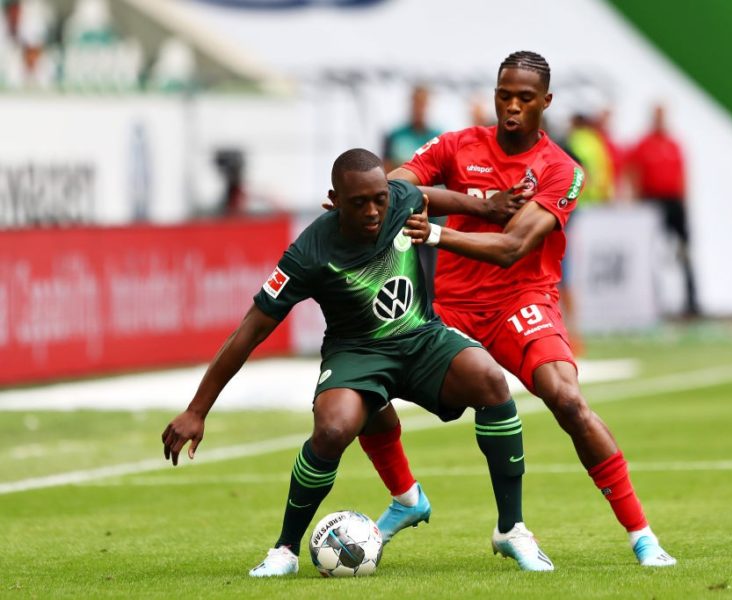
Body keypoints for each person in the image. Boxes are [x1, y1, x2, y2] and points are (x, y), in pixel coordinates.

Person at [160, 148, 554, 577]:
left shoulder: (398, 198)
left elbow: (424, 194)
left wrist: (487, 207)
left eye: (379, 199)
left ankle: (511, 529)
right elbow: (250, 330)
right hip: (357, 353)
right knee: (331, 429)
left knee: (490, 382)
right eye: (358, 203)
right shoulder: (310, 250)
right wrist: (197, 409)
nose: (372, 211)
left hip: (421, 337)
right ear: (334, 199)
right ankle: (285, 550)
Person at [359, 51, 677, 567]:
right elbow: (398, 182)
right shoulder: (459, 145)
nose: (511, 107)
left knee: (568, 401)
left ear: (545, 102)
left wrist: (435, 227)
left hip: (520, 300)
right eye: (504, 95)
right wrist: (371, 193)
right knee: (363, 383)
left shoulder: (561, 170)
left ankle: (641, 534)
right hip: (452, 307)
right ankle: (406, 497)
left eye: (524, 99)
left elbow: (513, 246)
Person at [627, 103, 699, 317]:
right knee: (652, 253)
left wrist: (685, 202)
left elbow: (683, 174)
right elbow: (633, 173)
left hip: (674, 202)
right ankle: (653, 301)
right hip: (653, 202)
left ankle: (691, 302)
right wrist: (636, 200)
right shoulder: (643, 145)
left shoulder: (673, 144)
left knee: (684, 252)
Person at [382, 84, 442, 173]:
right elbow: (386, 166)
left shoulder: (438, 138)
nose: (419, 109)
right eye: (416, 103)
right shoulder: (395, 135)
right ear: (411, 104)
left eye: (423, 104)